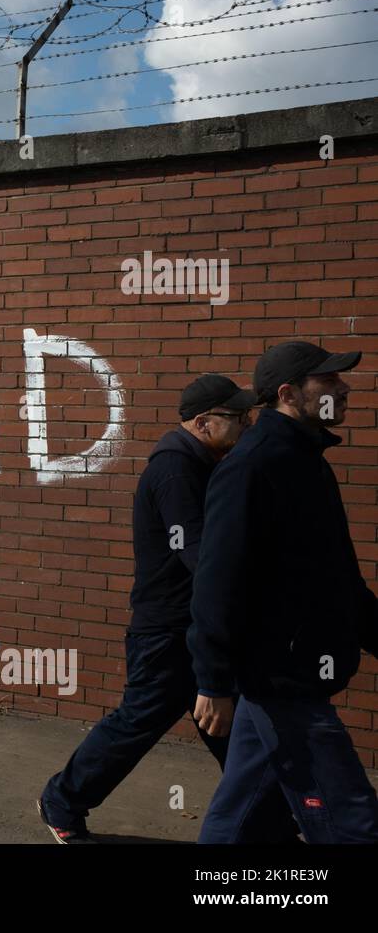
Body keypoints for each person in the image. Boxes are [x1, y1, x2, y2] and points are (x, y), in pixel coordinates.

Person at [39, 375, 282, 843]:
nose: (248, 425)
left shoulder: (204, 464)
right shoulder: (176, 472)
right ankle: (62, 800)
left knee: (232, 728)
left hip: (198, 625)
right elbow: (199, 557)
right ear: (203, 423)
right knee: (140, 720)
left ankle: (269, 821)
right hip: (169, 630)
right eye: (238, 418)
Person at [190, 341, 378, 843]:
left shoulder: (308, 460)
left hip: (289, 670)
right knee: (353, 823)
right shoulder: (252, 467)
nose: (343, 389)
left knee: (243, 815)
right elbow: (217, 580)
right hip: (283, 676)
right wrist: (214, 680)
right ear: (289, 393)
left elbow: (336, 573)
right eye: (329, 382)